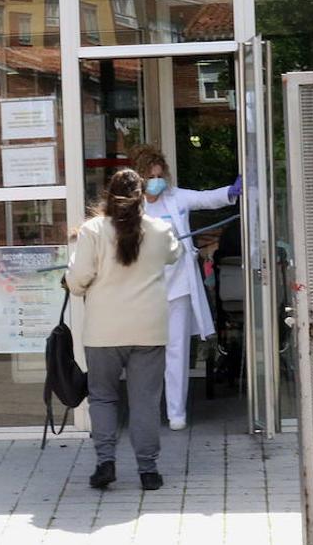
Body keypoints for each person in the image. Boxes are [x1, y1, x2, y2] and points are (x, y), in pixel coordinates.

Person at [66, 169, 181, 491]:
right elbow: (176, 254)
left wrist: (71, 278)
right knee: (145, 400)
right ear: (142, 196)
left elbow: (78, 280)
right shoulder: (159, 229)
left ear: (108, 195)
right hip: (149, 329)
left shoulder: (92, 230)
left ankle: (106, 462)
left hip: (104, 330)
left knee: (102, 397)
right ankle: (148, 470)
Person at [130, 145, 241, 430]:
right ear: (141, 178)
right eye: (151, 177)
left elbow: (205, 199)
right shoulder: (130, 207)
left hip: (177, 287)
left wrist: (231, 191)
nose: (157, 181)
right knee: (146, 354)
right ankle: (147, 410)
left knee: (177, 351)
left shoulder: (175, 197)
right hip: (144, 291)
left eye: (160, 175)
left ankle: (176, 412)